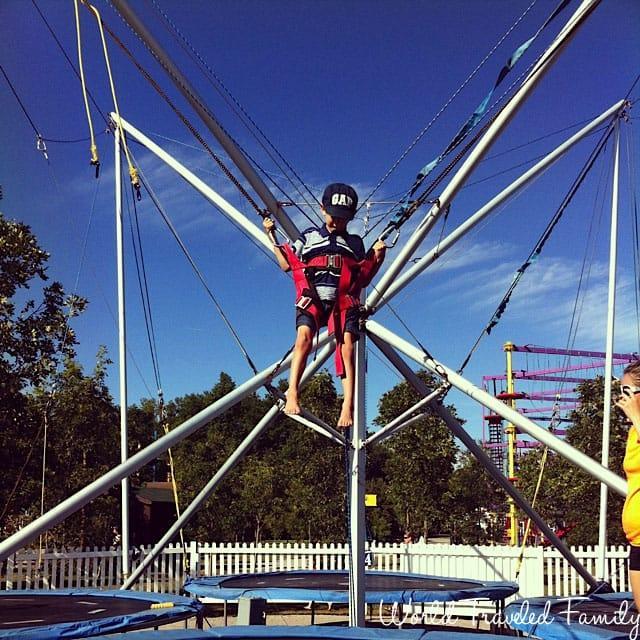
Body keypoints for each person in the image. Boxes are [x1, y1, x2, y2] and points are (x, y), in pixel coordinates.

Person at [264, 183, 386, 428]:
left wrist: (378, 257)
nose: (337, 222)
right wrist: (271, 235)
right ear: (322, 210)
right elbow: (287, 264)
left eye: (343, 218)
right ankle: (293, 392)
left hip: (342, 302)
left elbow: (362, 276)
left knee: (347, 347)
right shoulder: (308, 236)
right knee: (304, 338)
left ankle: (347, 404)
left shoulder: (354, 242)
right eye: (333, 216)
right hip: (314, 298)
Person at [618, 359, 640, 609]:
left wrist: (636, 416)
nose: (621, 400)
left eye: (626, 393)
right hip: (637, 540)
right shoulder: (634, 432)